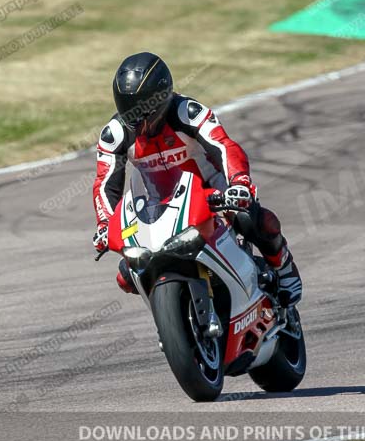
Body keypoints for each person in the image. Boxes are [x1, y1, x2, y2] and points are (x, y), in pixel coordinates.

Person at [91, 52, 302, 305]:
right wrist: (105, 223)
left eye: (142, 110)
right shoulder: (114, 134)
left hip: (210, 192)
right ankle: (175, 308)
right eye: (128, 110)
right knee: (127, 275)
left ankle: (284, 268)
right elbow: (105, 183)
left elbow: (223, 146)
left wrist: (239, 183)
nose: (137, 121)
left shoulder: (187, 112)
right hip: (159, 206)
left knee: (252, 220)